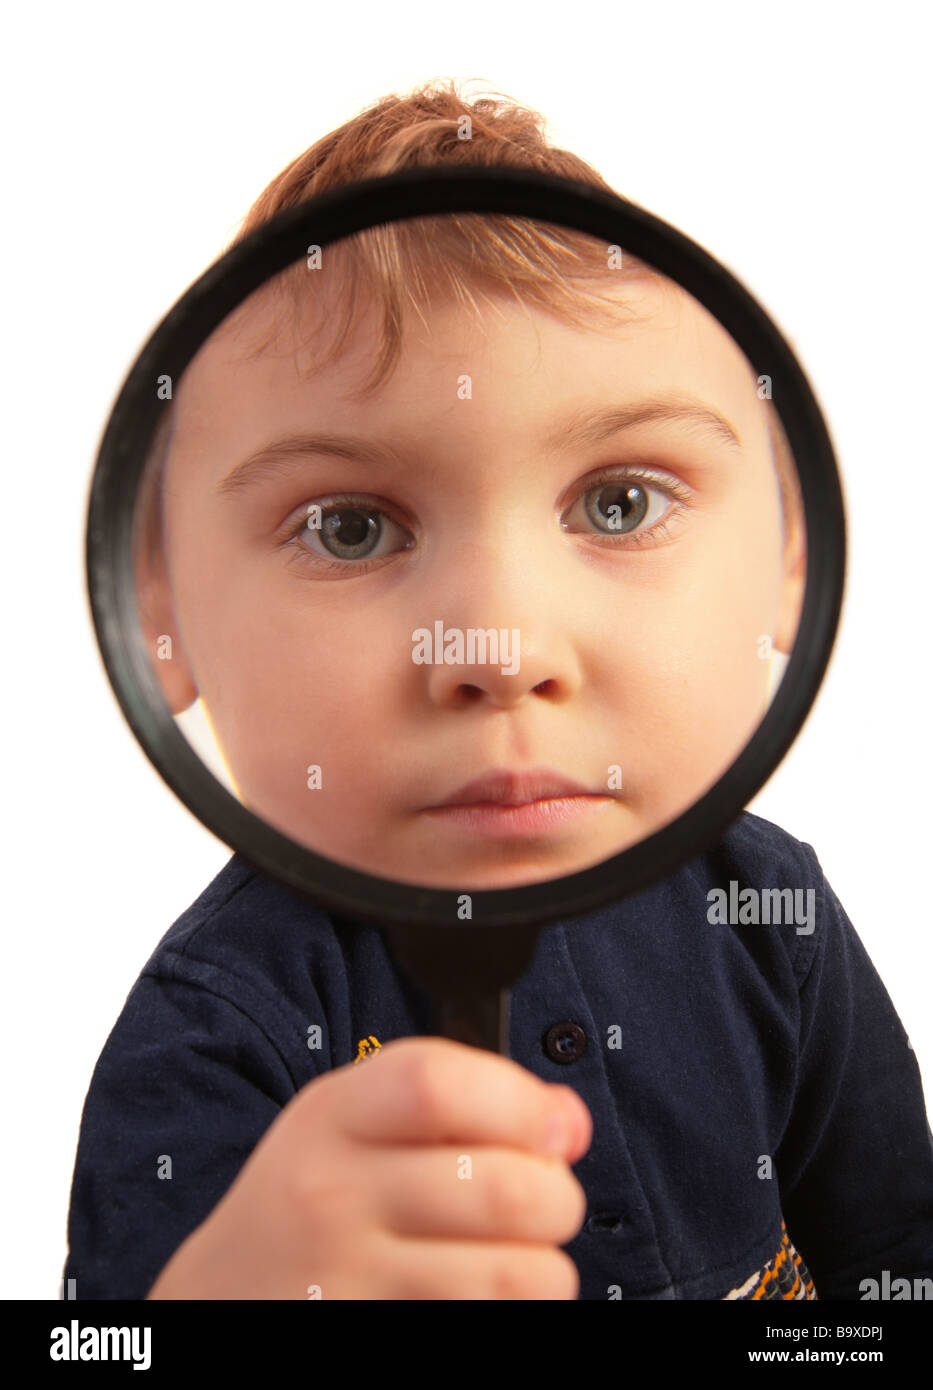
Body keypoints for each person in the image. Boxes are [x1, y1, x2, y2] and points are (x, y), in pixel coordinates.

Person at [63, 79, 933, 1300]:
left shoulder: (769, 904)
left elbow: (894, 1264)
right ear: (160, 614)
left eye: (621, 502)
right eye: (351, 527)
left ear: (787, 565)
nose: (496, 647)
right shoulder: (219, 1024)